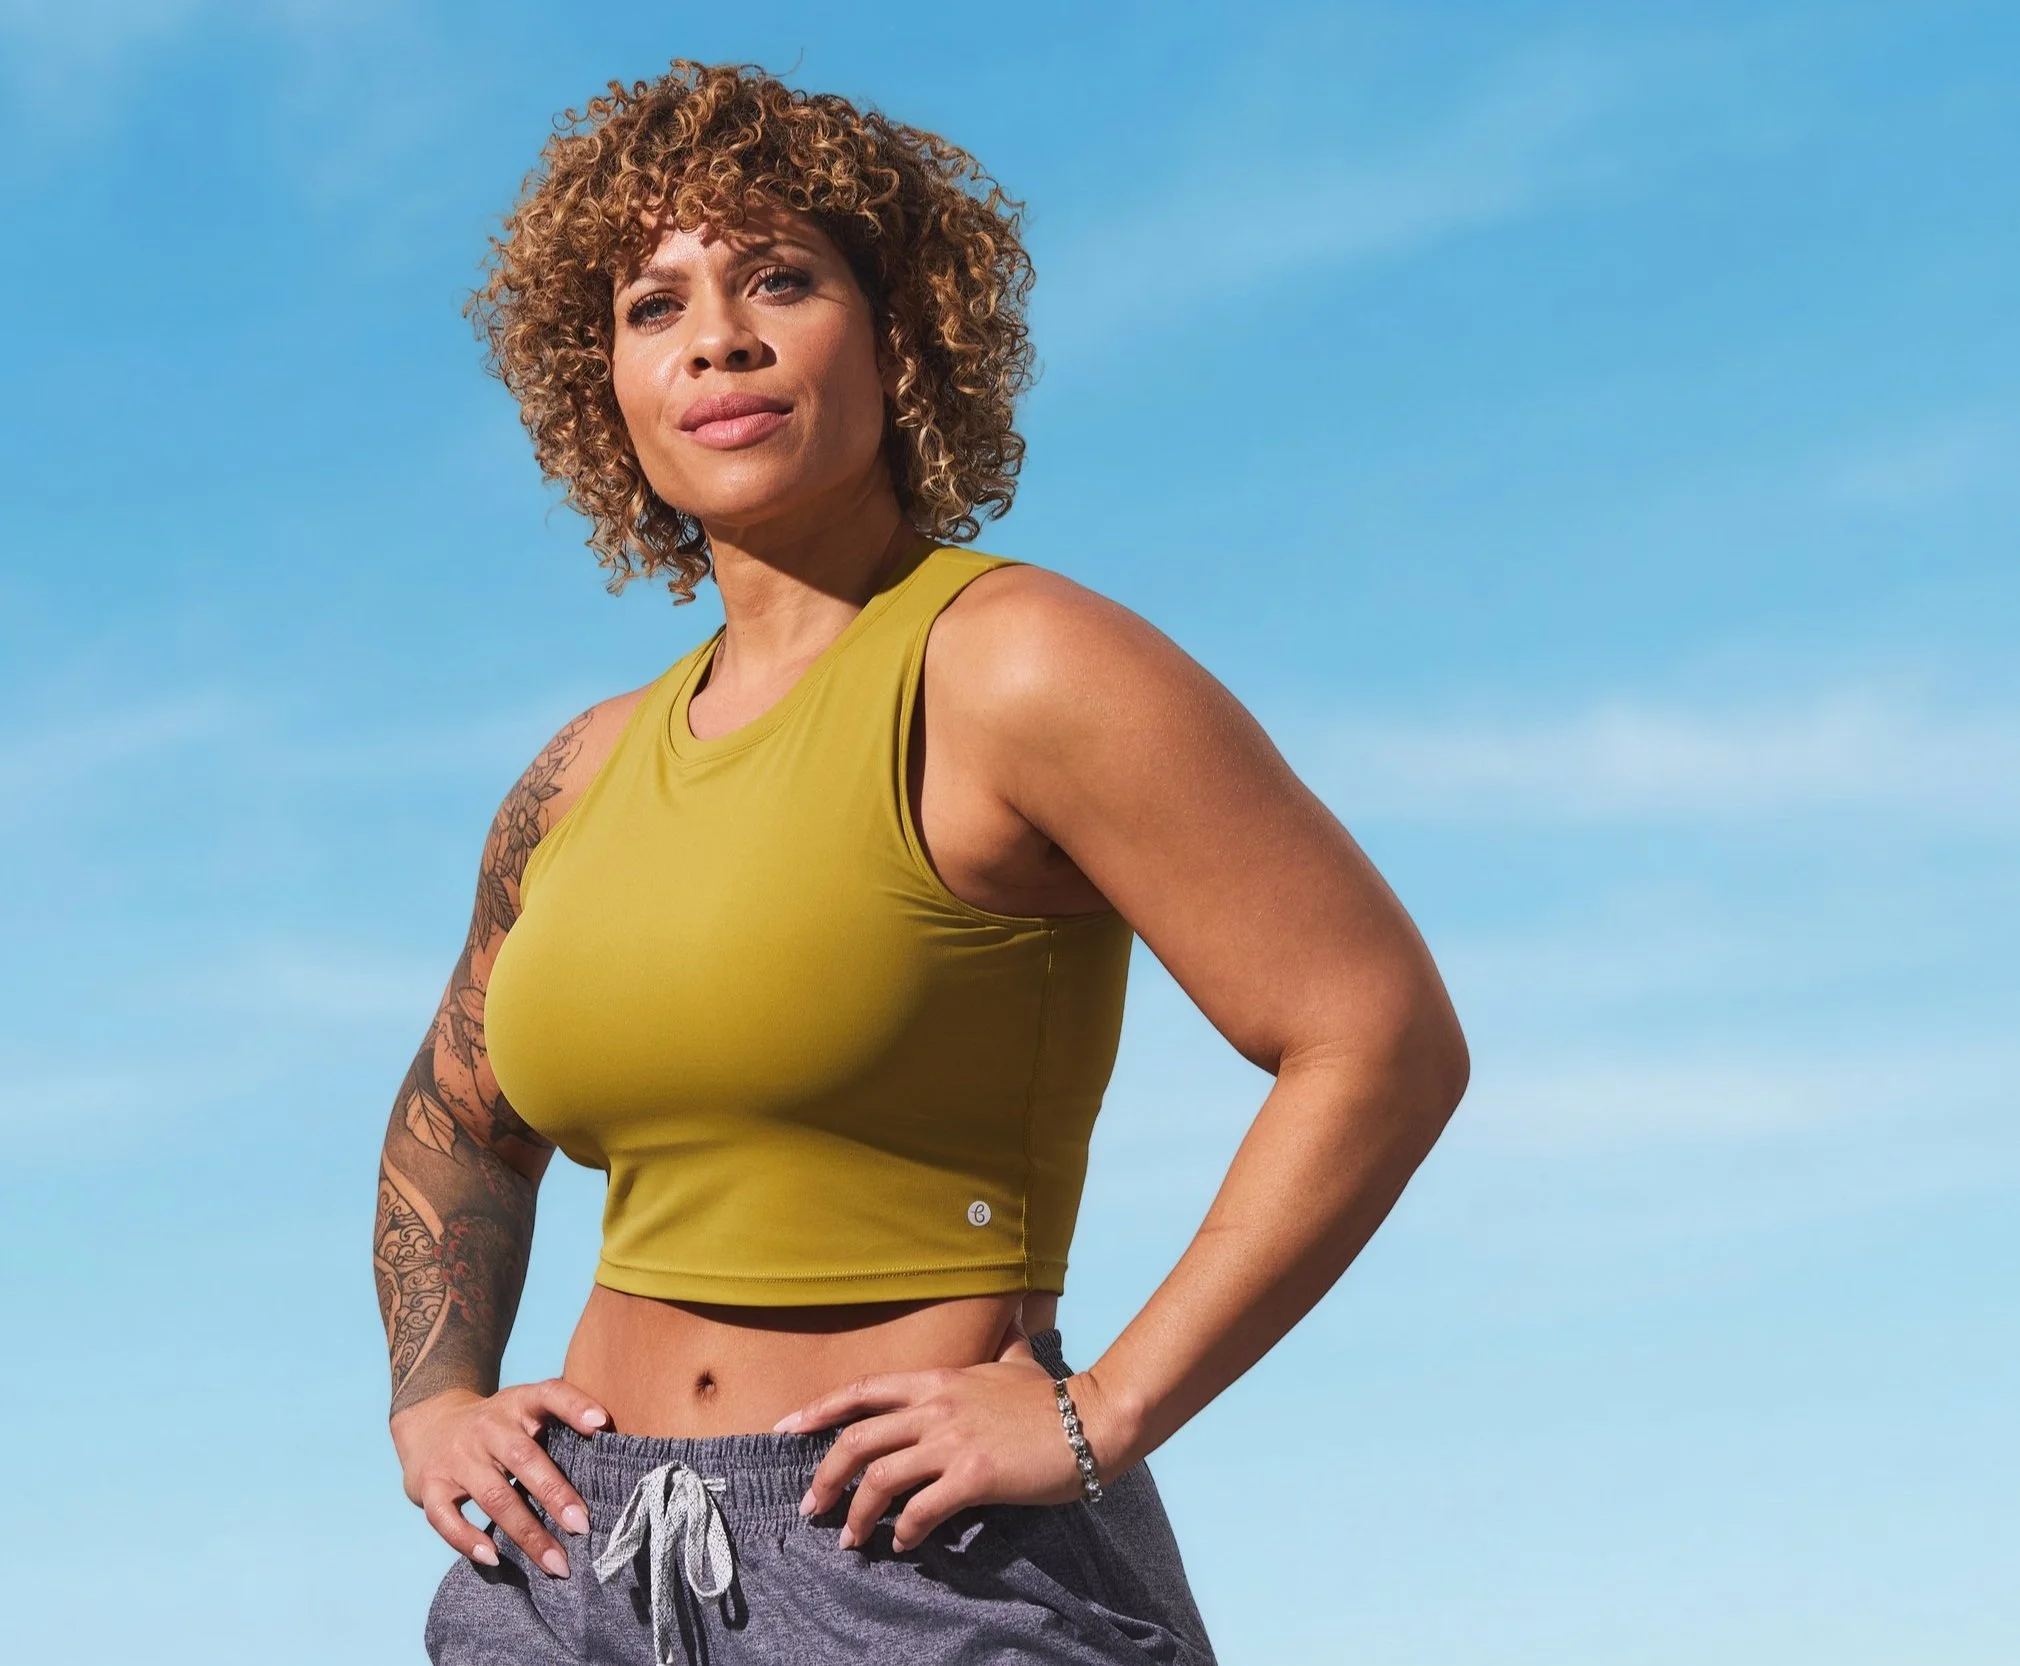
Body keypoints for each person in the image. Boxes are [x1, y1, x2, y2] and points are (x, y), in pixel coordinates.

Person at [377, 60, 1469, 1666]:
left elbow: (1378, 1034)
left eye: (781, 279)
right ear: (598, 384)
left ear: (902, 336)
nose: (717, 338)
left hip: (913, 1568)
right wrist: (436, 1401)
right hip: (569, 1562)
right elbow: (458, 1117)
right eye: (651, 303)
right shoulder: (579, 769)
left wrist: (1101, 1414)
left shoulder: (1015, 664)